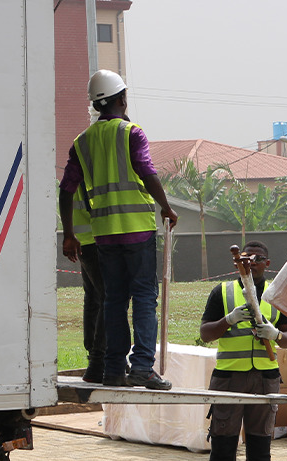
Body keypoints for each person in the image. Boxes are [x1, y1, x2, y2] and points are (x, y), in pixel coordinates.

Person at [58, 69, 178, 390]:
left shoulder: (81, 143)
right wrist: (165, 206)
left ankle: (113, 370)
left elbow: (66, 190)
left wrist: (69, 233)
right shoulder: (131, 133)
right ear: (122, 99)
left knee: (112, 300)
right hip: (137, 230)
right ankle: (141, 368)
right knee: (143, 297)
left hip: (104, 234)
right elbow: (147, 171)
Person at [188, 241, 287, 461]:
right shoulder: (222, 293)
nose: (251, 262)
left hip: (265, 378)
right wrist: (228, 319)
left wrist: (274, 335)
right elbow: (205, 334)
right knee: (223, 441)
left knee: (261, 441)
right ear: (238, 263)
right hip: (229, 378)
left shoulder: (277, 296)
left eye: (258, 258)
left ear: (267, 263)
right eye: (246, 258)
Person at [61, 185, 107, 383]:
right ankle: (99, 359)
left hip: (84, 240)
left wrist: (69, 234)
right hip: (97, 239)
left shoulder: (75, 170)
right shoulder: (90, 166)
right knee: (109, 298)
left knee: (94, 299)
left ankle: (94, 354)